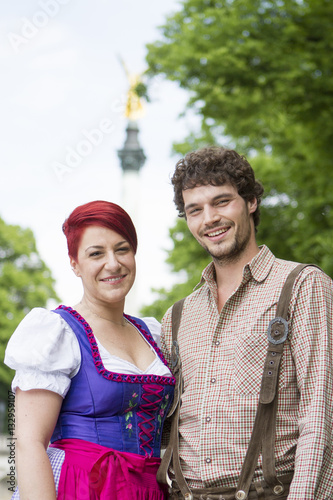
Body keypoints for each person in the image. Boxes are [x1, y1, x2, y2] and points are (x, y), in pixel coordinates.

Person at [159, 147, 333, 499]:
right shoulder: (176, 317)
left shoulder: (303, 286)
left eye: (221, 202)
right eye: (195, 210)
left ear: (251, 201)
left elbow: (322, 417)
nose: (209, 218)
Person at [4, 200, 175, 500]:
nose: (113, 263)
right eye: (96, 253)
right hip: (82, 488)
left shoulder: (154, 334)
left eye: (122, 249)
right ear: (75, 264)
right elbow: (29, 443)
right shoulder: (57, 332)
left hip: (149, 492)